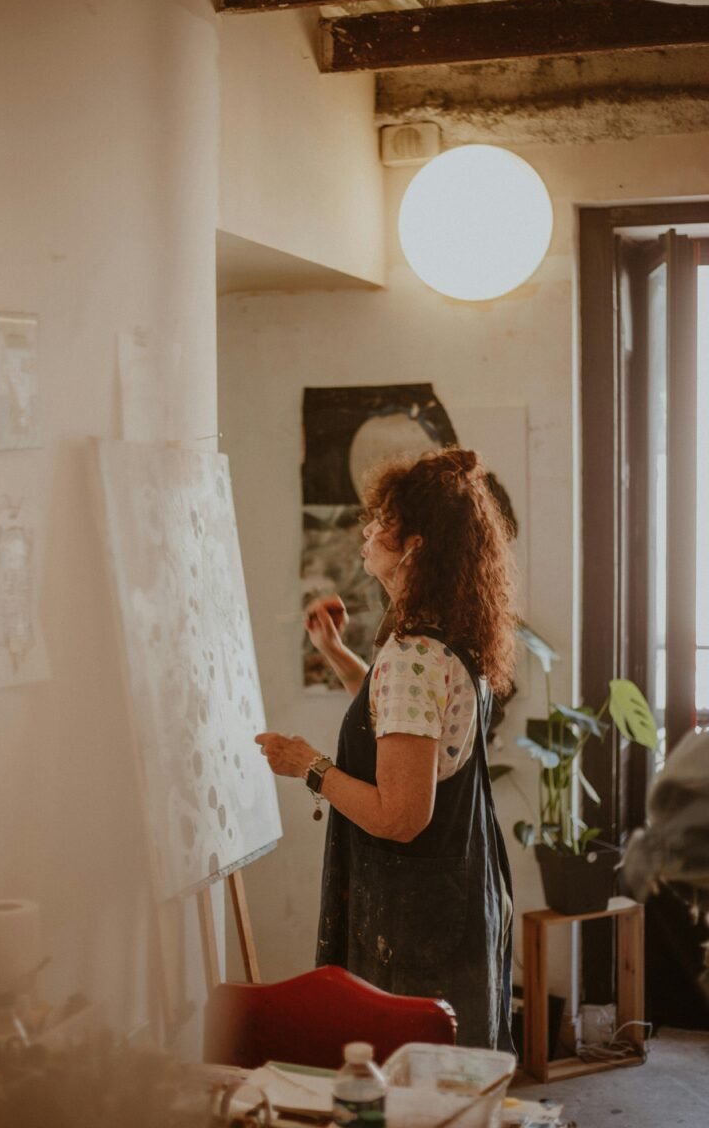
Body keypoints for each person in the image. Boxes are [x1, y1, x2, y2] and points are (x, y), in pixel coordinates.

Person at [256, 446, 517, 1051]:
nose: (368, 530)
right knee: (448, 1076)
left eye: (383, 521)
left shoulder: (412, 657)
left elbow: (401, 817)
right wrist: (336, 654)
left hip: (414, 919)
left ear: (416, 548)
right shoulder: (447, 640)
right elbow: (405, 729)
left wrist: (308, 766)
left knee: (405, 1078)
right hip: (456, 899)